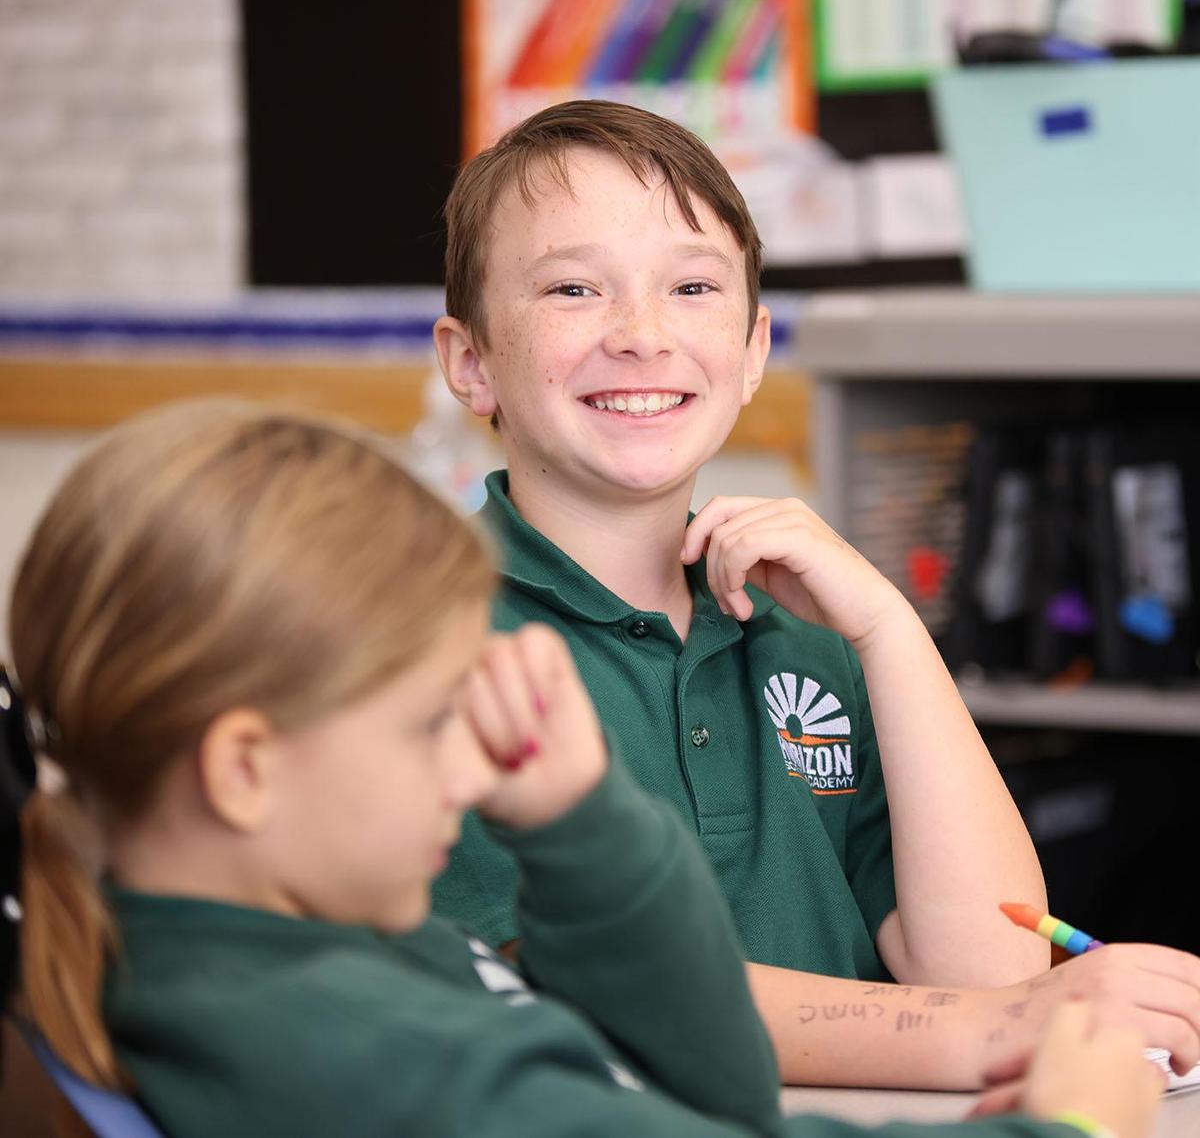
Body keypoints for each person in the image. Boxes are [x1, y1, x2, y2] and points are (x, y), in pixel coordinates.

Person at [0, 399, 1160, 1138]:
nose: (470, 780)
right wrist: (1063, 1129)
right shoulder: (328, 1036)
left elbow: (719, 1088)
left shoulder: (326, 950)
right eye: (424, 727)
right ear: (244, 771)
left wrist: (580, 826)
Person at [430, 99, 1200, 1088]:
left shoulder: (809, 640)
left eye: (692, 286)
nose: (642, 334)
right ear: (471, 361)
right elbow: (576, 987)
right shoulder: (421, 635)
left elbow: (991, 966)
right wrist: (990, 1029)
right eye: (574, 288)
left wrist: (887, 633)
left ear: (752, 354)